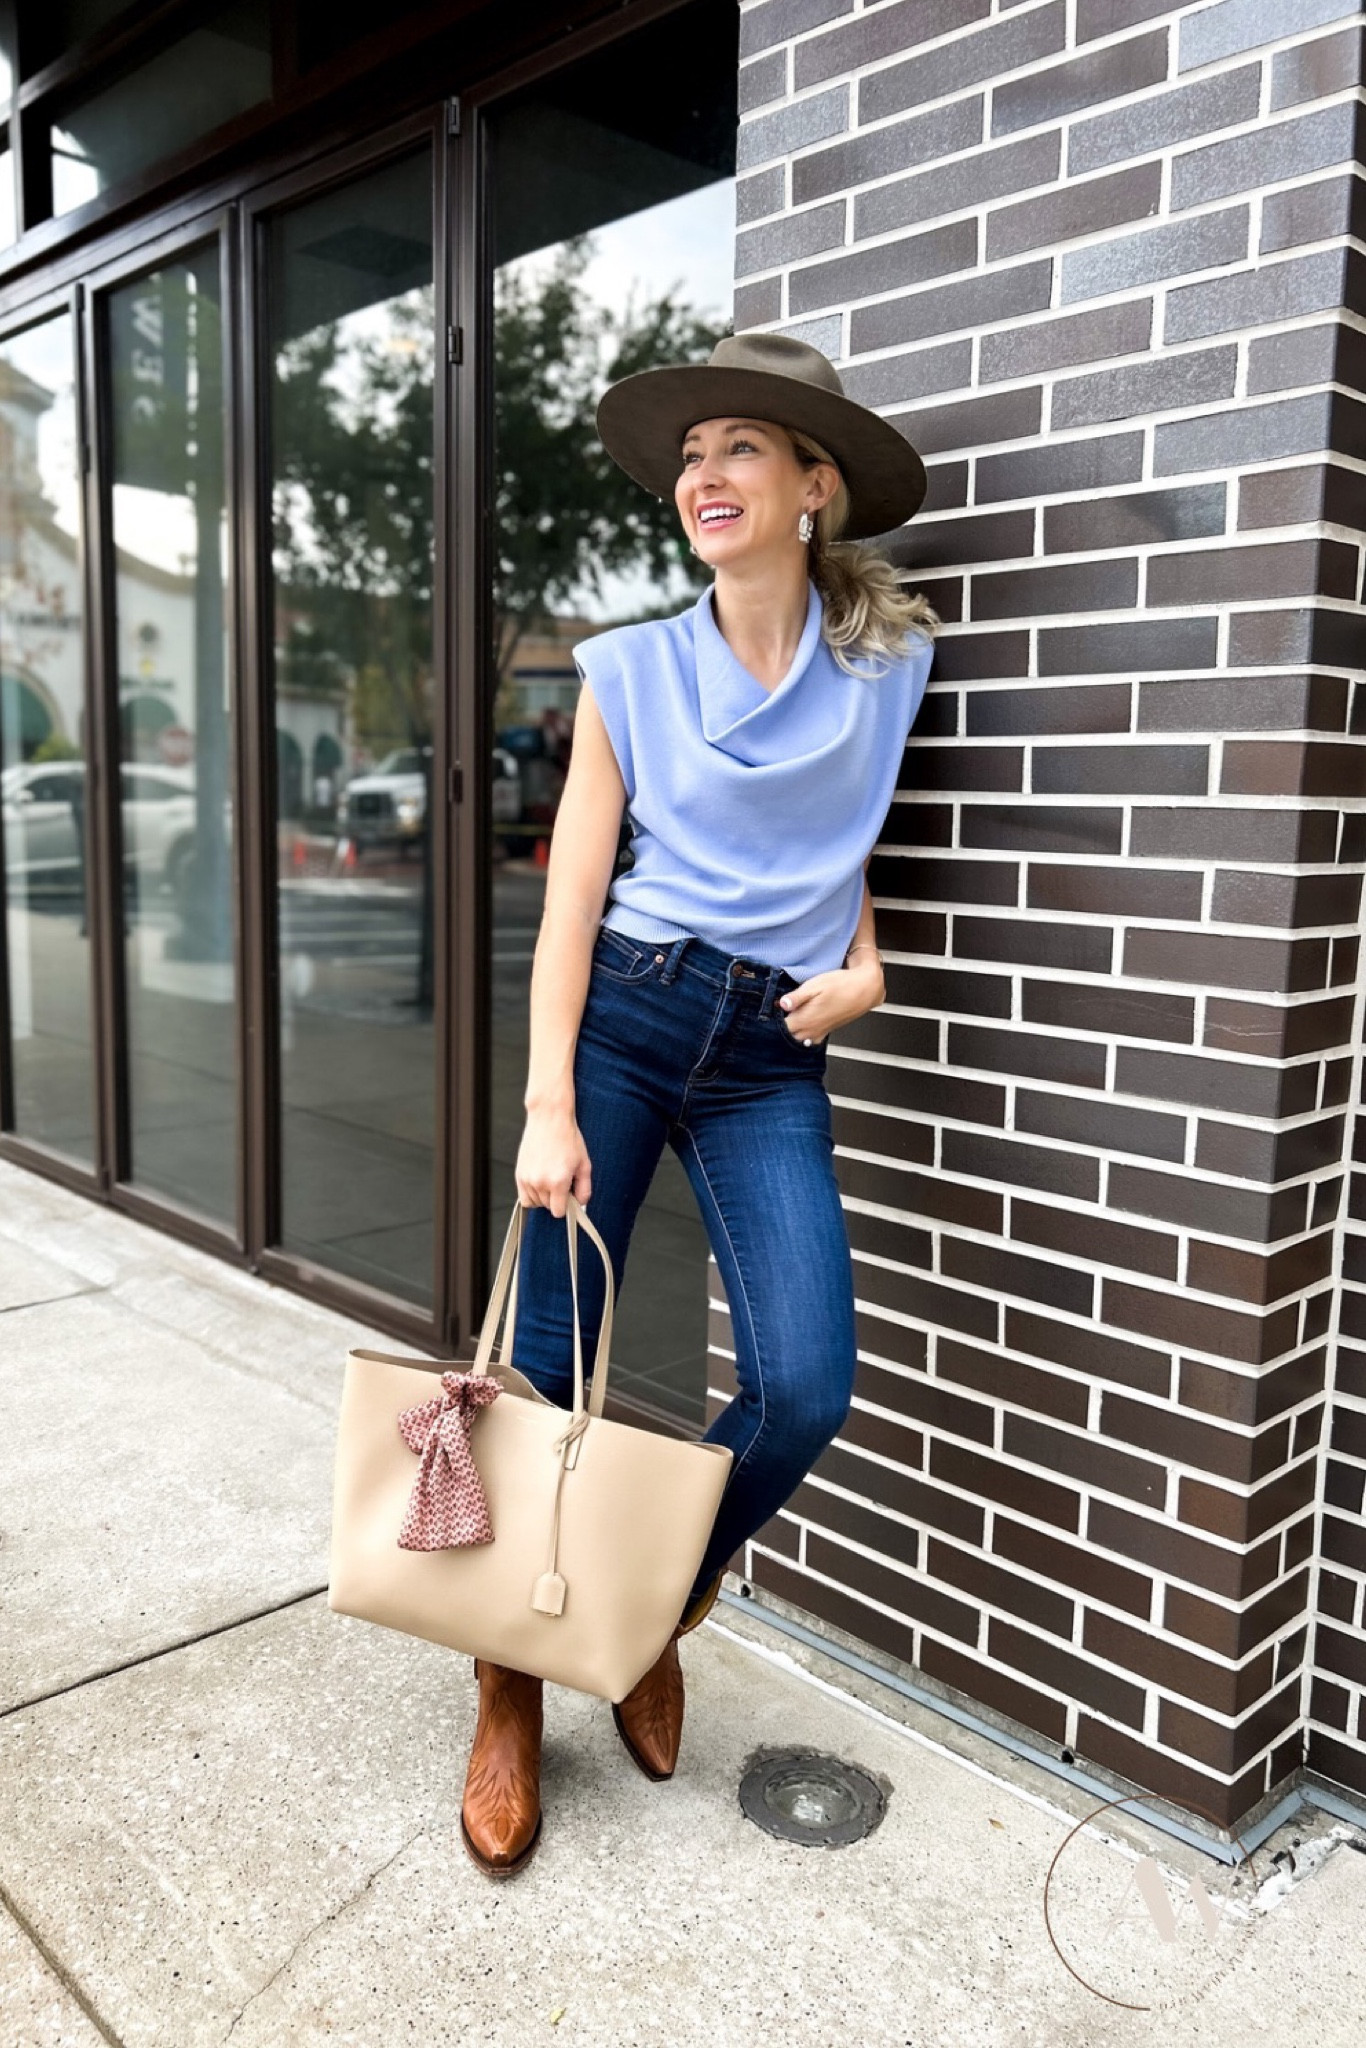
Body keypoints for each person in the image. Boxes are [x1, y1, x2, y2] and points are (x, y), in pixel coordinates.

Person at [460, 332, 938, 1878]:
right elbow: (571, 898)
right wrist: (546, 1102)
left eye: (742, 448)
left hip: (768, 1055)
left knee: (803, 1385)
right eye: (689, 455)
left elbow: (840, 841)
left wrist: (866, 967)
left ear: (813, 486)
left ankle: (648, 1604)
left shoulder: (888, 669)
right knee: (542, 1371)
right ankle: (508, 1682)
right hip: (627, 1014)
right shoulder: (631, 667)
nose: (704, 476)